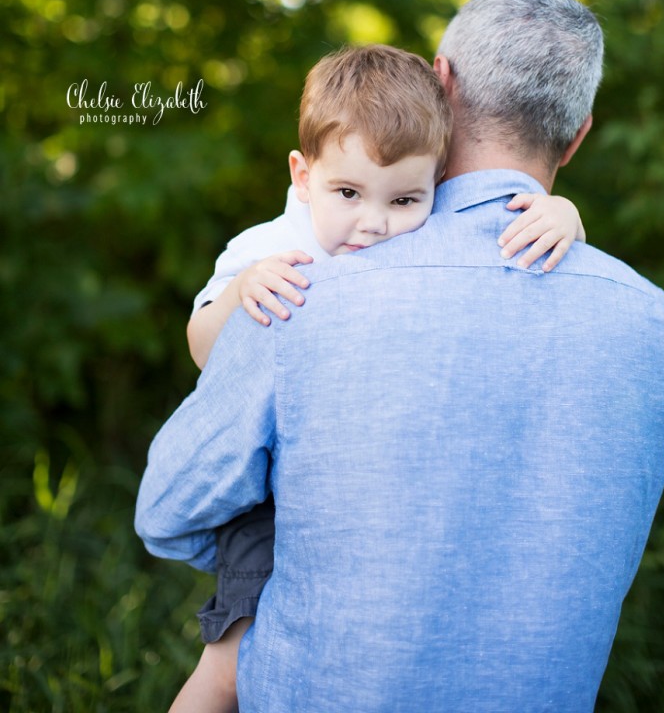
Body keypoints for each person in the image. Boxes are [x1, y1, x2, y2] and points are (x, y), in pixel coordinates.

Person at [136, 0, 664, 713]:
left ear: (441, 83)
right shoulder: (647, 321)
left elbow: (167, 511)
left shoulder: (308, 294)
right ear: (578, 133)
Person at [168, 43, 584, 713]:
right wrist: (243, 295)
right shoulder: (273, 248)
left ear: (437, 182)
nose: (373, 222)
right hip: (267, 494)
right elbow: (198, 346)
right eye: (348, 193)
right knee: (232, 667)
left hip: (365, 483)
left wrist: (560, 214)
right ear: (303, 176)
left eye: (404, 199)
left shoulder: (416, 229)